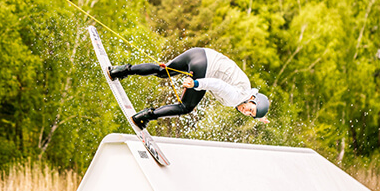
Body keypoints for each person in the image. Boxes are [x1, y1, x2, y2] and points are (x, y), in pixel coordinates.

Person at [108, 47, 270, 130]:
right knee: (185, 107)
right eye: (250, 109)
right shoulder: (238, 97)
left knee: (163, 71)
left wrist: (258, 114)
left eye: (250, 115)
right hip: (204, 68)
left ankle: (121, 71)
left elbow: (250, 101)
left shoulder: (247, 89)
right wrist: (196, 84)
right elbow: (218, 84)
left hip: (199, 53)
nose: (246, 112)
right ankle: (144, 117)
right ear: (252, 100)